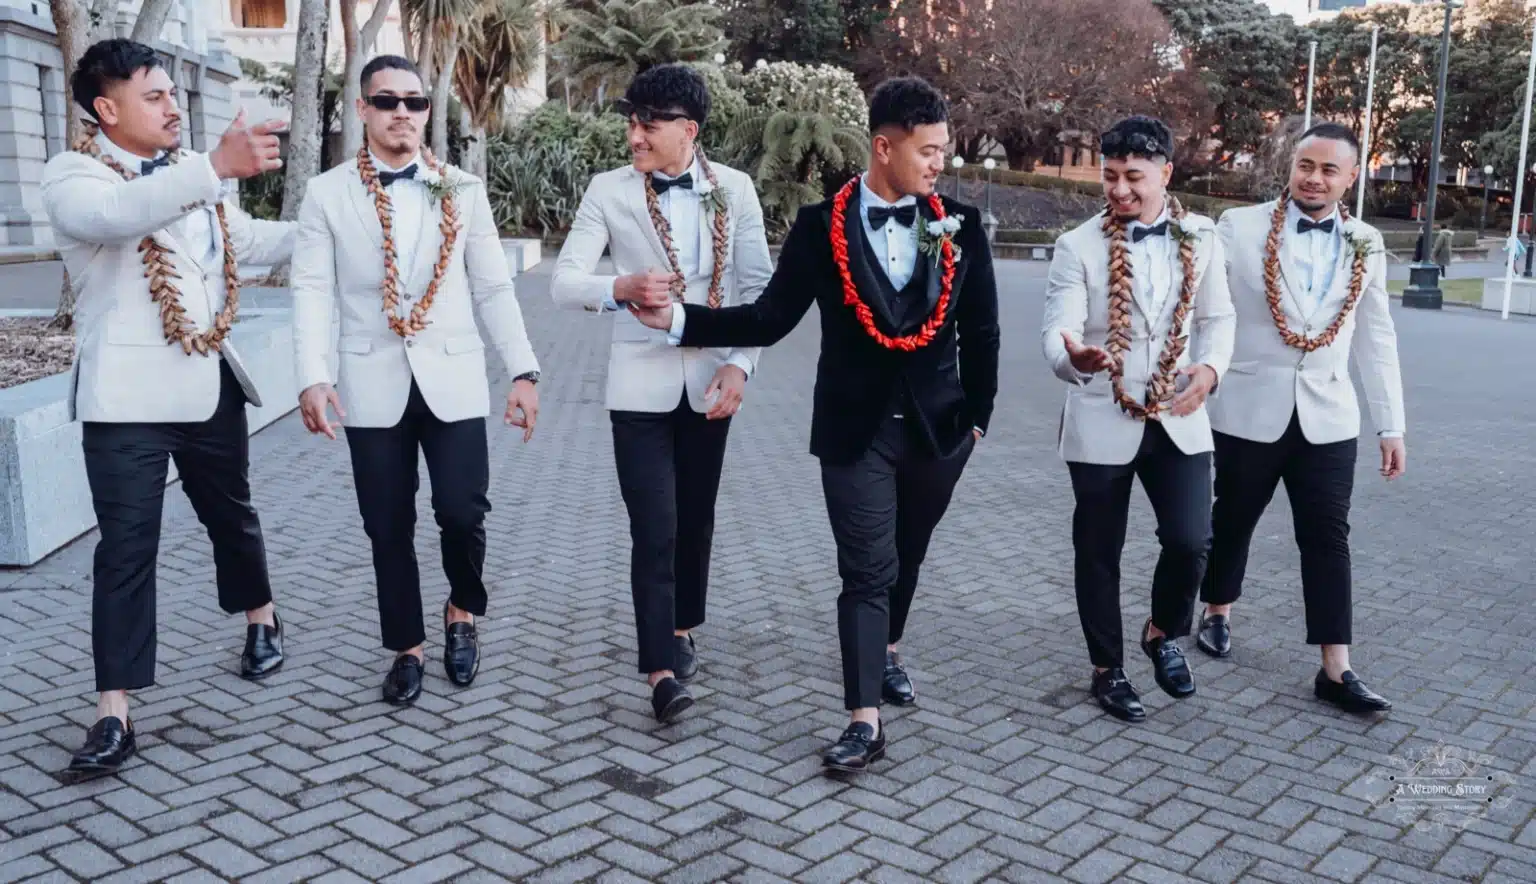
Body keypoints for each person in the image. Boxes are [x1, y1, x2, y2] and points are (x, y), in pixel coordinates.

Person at [631, 76, 1000, 771]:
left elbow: (983, 333)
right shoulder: (816, 227)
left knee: (905, 555)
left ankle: (886, 650)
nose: (938, 165)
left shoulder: (961, 226)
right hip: (852, 430)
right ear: (884, 148)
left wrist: (977, 422)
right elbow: (768, 319)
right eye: (928, 152)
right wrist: (681, 321)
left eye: (943, 151)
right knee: (866, 568)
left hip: (939, 430)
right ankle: (864, 718)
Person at [40, 38, 296, 776]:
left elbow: (245, 242)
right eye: (154, 96)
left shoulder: (193, 185)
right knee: (124, 552)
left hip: (206, 385)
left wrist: (335, 231)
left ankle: (261, 618)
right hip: (124, 404)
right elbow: (120, 215)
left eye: (173, 93)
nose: (173, 105)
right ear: (105, 108)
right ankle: (113, 711)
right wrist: (213, 166)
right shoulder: (73, 177)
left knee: (232, 517)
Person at [290, 54, 542, 707]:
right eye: (388, 101)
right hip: (370, 381)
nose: (403, 112)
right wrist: (313, 378)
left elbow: (492, 287)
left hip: (452, 377)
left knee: (462, 512)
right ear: (363, 110)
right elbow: (313, 291)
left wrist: (522, 369)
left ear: (429, 111)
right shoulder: (327, 193)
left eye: (415, 101)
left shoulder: (462, 189)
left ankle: (462, 611)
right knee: (386, 524)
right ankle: (407, 647)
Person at [549, 63, 772, 723]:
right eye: (631, 121)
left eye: (648, 123)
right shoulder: (608, 192)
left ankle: (681, 626)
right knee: (655, 525)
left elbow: (759, 290)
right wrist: (617, 289)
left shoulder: (735, 189)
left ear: (689, 130)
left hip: (710, 383)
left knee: (695, 519)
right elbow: (563, 281)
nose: (634, 135)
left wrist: (741, 366)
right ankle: (659, 673)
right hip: (637, 384)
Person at [1198, 122, 1405, 714]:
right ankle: (1217, 610)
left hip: (1330, 416)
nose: (1314, 178)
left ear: (1351, 177)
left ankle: (1336, 667)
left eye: (1328, 169)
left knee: (1327, 536)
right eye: (1305, 166)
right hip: (1247, 408)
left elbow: (1377, 336)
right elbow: (1209, 313)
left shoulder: (1368, 241)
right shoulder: (1239, 227)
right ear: (1291, 167)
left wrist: (1391, 425)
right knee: (1233, 519)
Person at [1040, 115, 1234, 724]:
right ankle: (1108, 668)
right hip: (1101, 416)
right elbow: (1058, 326)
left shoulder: (1201, 237)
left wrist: (1210, 371)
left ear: (1166, 173)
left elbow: (1219, 318)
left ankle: (1161, 630)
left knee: (1192, 539)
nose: (1119, 189)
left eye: (1134, 177)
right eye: (1110, 175)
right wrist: (1073, 356)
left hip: (1180, 415)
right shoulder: (1078, 246)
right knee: (1098, 549)